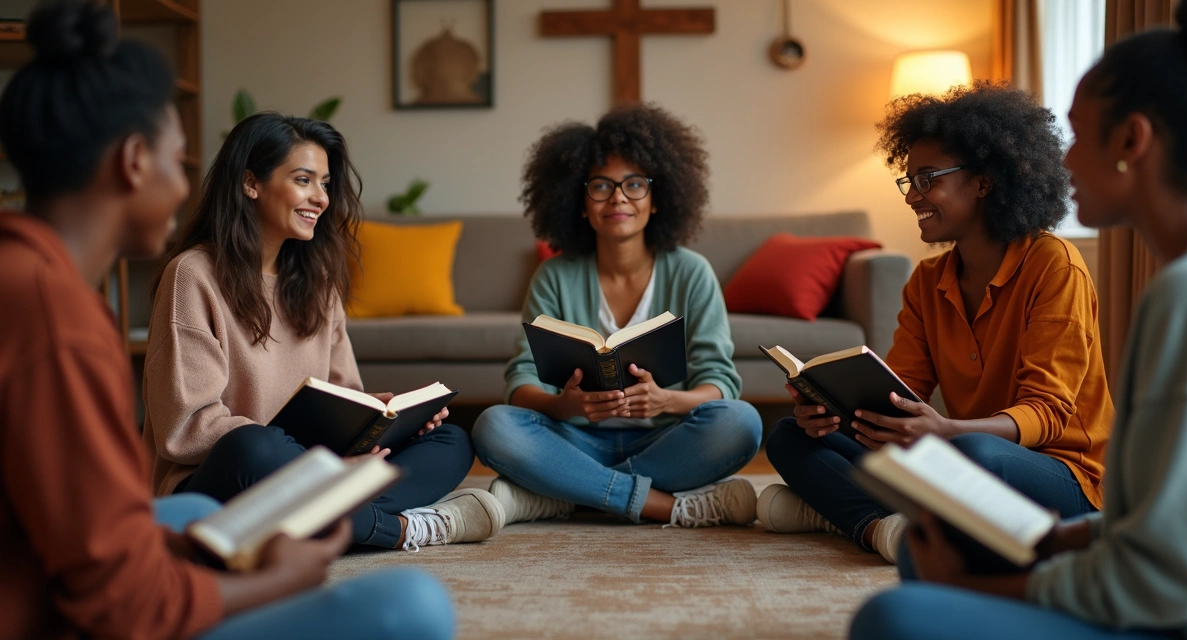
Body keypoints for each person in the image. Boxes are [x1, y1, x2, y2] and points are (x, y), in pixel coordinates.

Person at [0, 1, 453, 638]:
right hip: (100, 590)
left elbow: (97, 530)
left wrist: (376, 415)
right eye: (178, 160)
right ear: (134, 160)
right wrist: (277, 578)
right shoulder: (62, 319)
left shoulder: (32, 283)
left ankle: (333, 511)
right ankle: (367, 524)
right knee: (414, 606)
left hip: (260, 480)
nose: (185, 185)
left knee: (187, 512)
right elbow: (118, 598)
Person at [852, 0, 1187, 637]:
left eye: (1078, 135)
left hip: (1172, 610)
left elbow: (1165, 580)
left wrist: (975, 585)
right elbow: (1163, 521)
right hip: (1142, 567)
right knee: (918, 544)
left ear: (1132, 140)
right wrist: (1054, 544)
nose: (1065, 162)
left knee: (894, 616)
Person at [760, 82, 1114, 564]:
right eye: (909, 181)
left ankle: (839, 510)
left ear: (984, 180)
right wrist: (834, 412)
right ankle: (879, 528)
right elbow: (900, 394)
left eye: (928, 179)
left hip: (1064, 474)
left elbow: (1049, 414)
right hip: (954, 448)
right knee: (789, 436)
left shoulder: (1054, 265)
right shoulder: (927, 280)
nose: (913, 197)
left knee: (973, 457)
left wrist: (946, 431)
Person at [140, 109, 503, 551]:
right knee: (253, 446)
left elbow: (343, 393)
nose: (321, 198)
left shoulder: (318, 282)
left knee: (451, 441)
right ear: (250, 183)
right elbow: (189, 427)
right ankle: (402, 529)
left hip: (314, 471)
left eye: (326, 184)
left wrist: (382, 413)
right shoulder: (193, 275)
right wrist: (316, 464)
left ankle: (322, 518)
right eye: (304, 180)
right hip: (222, 480)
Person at [472, 104, 763, 528]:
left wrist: (668, 399)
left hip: (664, 437)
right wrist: (562, 404)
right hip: (575, 439)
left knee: (741, 422)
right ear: (580, 200)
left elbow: (720, 380)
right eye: (601, 186)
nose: (618, 197)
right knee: (493, 426)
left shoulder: (691, 271)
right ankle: (658, 504)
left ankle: (568, 494)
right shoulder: (554, 275)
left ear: (657, 197)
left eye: (634, 184)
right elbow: (521, 381)